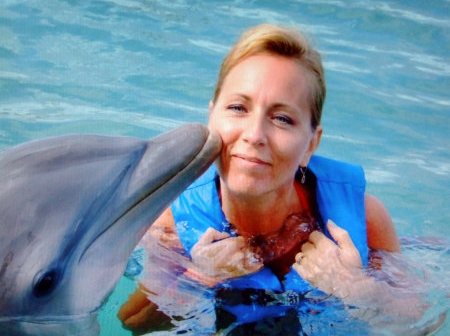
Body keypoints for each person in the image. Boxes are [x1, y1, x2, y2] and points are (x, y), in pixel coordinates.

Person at [118, 24, 428, 334]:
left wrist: (358, 289)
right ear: (211, 119)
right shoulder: (173, 221)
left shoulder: (365, 217)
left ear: (310, 144)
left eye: (282, 119)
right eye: (238, 108)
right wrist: (201, 277)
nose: (254, 135)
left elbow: (422, 320)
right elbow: (133, 322)